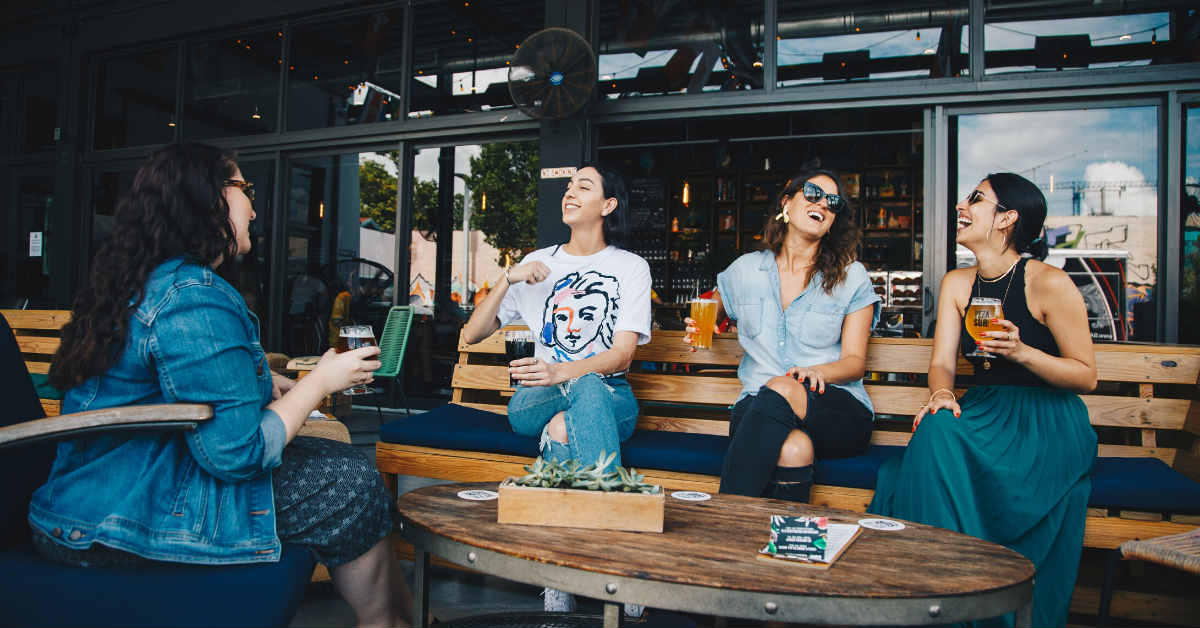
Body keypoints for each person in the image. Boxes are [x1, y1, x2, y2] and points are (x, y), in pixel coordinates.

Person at [37, 143, 413, 627]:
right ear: (207, 198)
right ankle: (391, 621)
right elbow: (237, 454)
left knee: (334, 464)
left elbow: (170, 390)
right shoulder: (193, 297)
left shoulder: (150, 281)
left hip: (95, 499)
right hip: (115, 519)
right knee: (348, 481)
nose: (255, 209)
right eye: (245, 190)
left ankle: (400, 619)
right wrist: (320, 381)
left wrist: (264, 380)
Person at [869, 173, 1097, 627]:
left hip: (1044, 421)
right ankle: (935, 604)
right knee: (935, 429)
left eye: (975, 198)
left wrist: (1023, 352)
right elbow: (943, 364)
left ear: (1006, 219)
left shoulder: (1050, 283)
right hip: (985, 409)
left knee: (933, 447)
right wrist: (940, 395)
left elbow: (1086, 376)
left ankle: (984, 603)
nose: (960, 205)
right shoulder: (958, 283)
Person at [460, 164, 651, 615]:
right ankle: (616, 559)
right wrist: (509, 276)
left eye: (584, 186)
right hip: (533, 401)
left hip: (610, 396)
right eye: (568, 186)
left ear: (607, 205)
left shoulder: (629, 268)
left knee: (567, 426)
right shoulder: (536, 263)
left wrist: (564, 371)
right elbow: (471, 334)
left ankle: (558, 577)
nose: (570, 192)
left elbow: (623, 355)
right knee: (574, 391)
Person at [698, 168, 880, 503]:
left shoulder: (851, 277)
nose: (823, 204)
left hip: (833, 407)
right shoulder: (745, 270)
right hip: (757, 407)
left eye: (833, 202)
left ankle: (723, 517)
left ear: (833, 221)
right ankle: (784, 547)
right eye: (812, 193)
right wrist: (706, 322)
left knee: (783, 385)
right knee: (794, 449)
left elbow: (855, 363)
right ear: (787, 203)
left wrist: (816, 373)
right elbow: (712, 309)